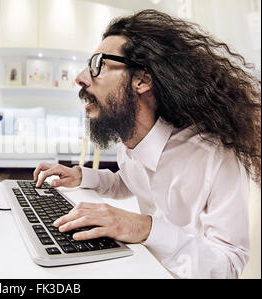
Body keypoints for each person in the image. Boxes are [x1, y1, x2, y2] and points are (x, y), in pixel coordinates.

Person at [33, 9, 261, 279]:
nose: (81, 78)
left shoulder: (214, 156)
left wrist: (145, 228)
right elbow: (132, 181)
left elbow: (229, 267)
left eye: (98, 64)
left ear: (142, 80)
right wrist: (83, 176)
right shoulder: (130, 142)